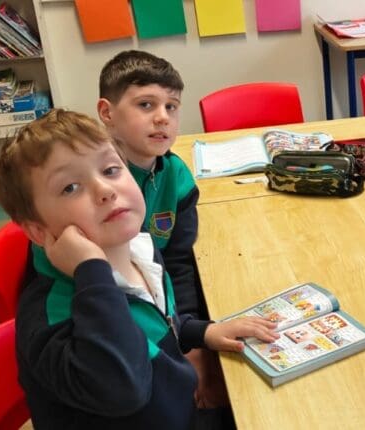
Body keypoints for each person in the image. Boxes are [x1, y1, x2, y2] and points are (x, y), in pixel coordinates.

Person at [0, 109, 279, 429]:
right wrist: (92, 271)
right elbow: (123, 387)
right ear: (37, 231)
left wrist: (202, 332)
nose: (105, 190)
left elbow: (156, 321)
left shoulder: (138, 249)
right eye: (70, 187)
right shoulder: (50, 319)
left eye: (111, 169)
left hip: (179, 408)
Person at [96, 50, 231, 419]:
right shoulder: (96, 184)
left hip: (167, 309)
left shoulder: (176, 175)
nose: (162, 117)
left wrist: (192, 342)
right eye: (146, 104)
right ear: (107, 112)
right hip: (117, 317)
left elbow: (179, 263)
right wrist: (183, 347)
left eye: (171, 106)